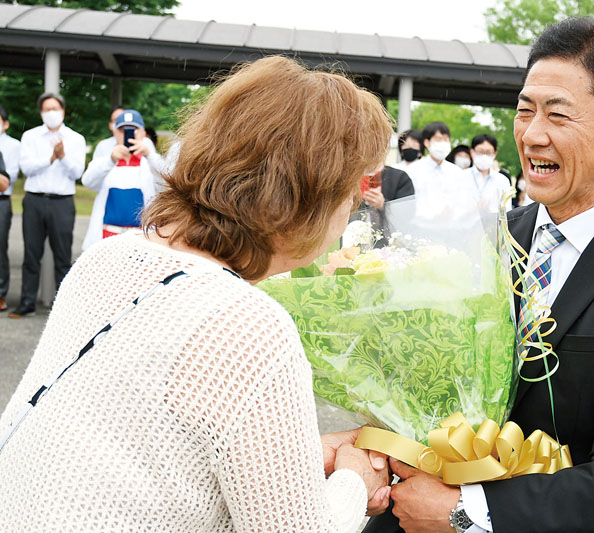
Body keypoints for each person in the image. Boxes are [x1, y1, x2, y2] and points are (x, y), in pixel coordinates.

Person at [0, 56, 393, 530]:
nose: (353, 205)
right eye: (357, 186)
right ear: (314, 191)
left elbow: (138, 454)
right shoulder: (248, 324)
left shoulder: (111, 256)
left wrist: (298, 463)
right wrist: (354, 481)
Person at [365, 17, 594, 533]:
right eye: (524, 111)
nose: (532, 134)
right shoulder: (486, 238)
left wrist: (465, 513)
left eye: (558, 115)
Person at [10, 92, 86, 318]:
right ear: (41, 112)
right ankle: (27, 303)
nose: (51, 113)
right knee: (31, 255)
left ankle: (61, 308)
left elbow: (77, 172)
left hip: (62, 202)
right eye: (47, 109)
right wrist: (51, 158)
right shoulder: (30, 136)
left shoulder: (76, 139)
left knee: (63, 257)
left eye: (55, 108)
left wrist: (62, 157)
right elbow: (27, 168)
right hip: (34, 200)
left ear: (63, 110)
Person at [81, 109, 165, 251]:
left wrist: (149, 155)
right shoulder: (106, 161)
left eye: (134, 129)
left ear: (143, 133)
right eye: (123, 130)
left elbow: (168, 180)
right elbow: (88, 181)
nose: (128, 133)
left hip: (141, 238)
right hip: (108, 236)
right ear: (114, 132)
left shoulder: (150, 162)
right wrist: (111, 159)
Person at [405, 122, 472, 222]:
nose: (443, 143)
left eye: (446, 139)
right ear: (427, 143)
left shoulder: (456, 172)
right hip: (421, 227)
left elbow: (463, 200)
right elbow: (409, 203)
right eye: (438, 139)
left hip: (451, 227)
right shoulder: (413, 170)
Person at [0, 104, 21, 312]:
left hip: (1, 200)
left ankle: (0, 293)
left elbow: (8, 178)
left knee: (0, 248)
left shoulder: (13, 146)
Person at [464, 133, 511, 214]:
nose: (484, 156)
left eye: (488, 152)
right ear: (472, 152)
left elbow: (507, 211)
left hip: (493, 225)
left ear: (495, 154)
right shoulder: (461, 177)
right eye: (480, 151)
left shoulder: (502, 180)